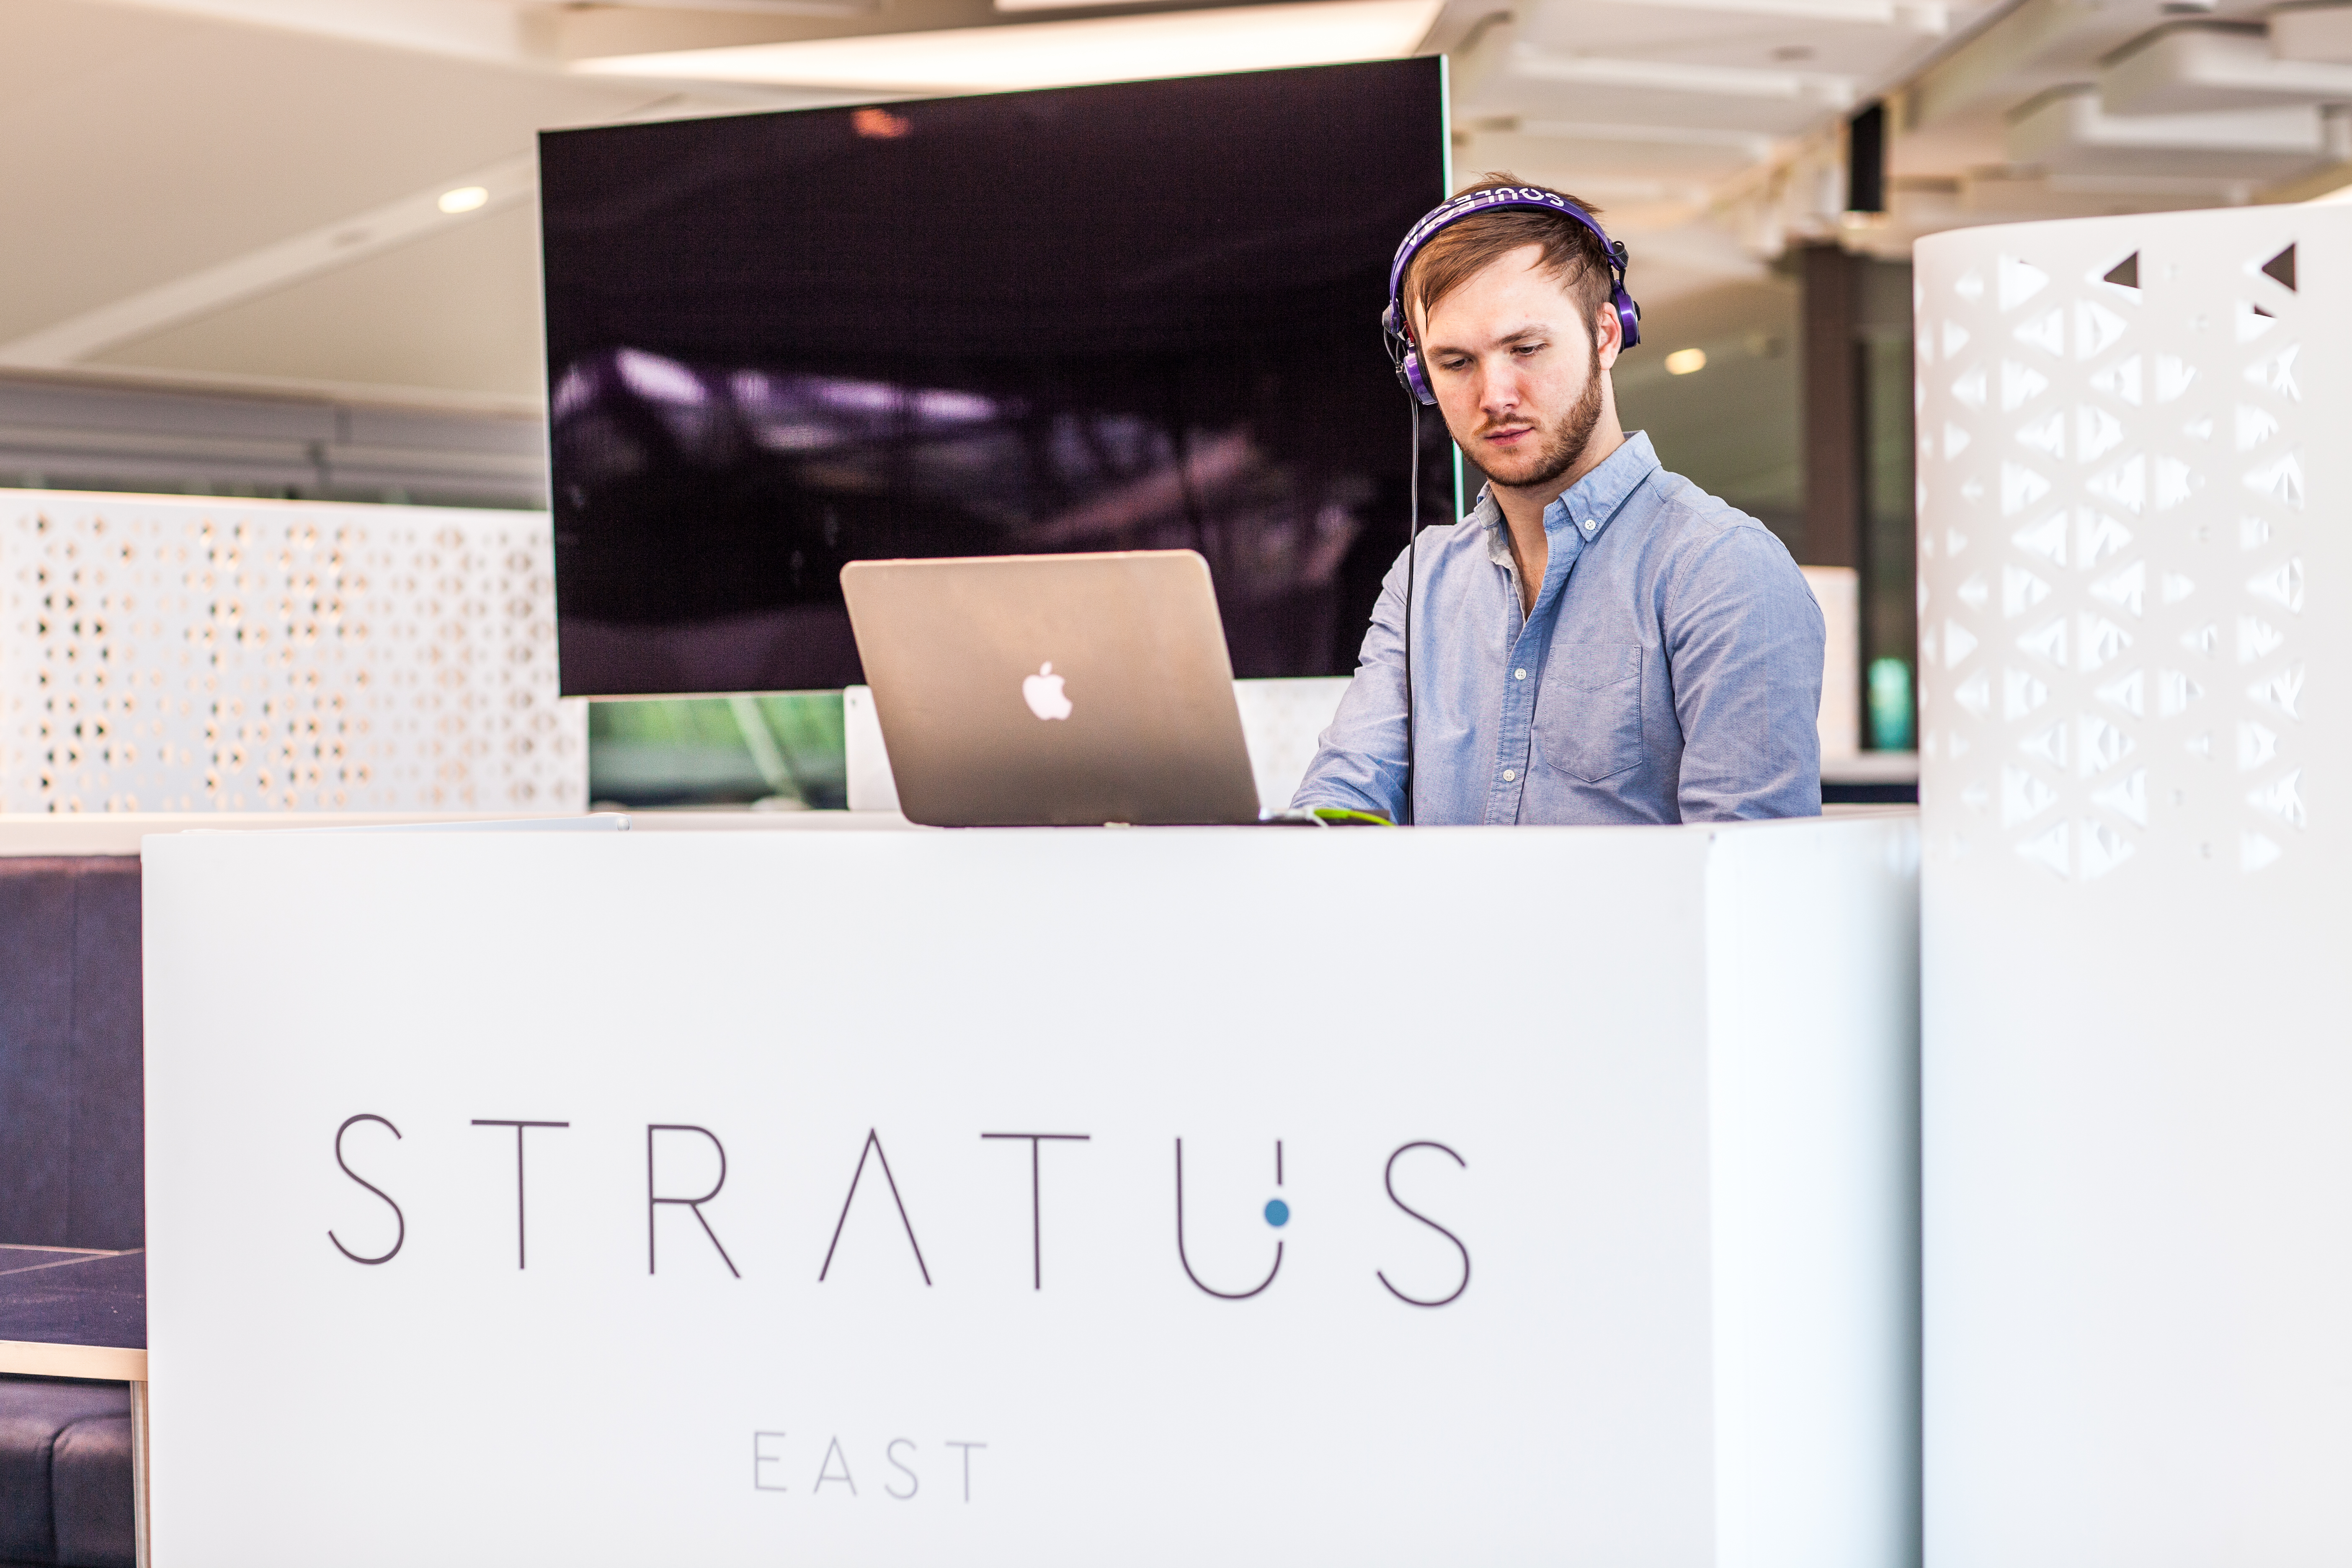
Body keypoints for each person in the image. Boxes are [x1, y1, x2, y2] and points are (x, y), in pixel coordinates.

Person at [1292, 175, 1826, 825]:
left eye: (1526, 348)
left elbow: (1748, 884)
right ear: (1419, 376)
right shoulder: (1423, 580)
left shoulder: (1723, 571)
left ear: (1606, 335)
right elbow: (1342, 801)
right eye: (1456, 363)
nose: (1495, 395)